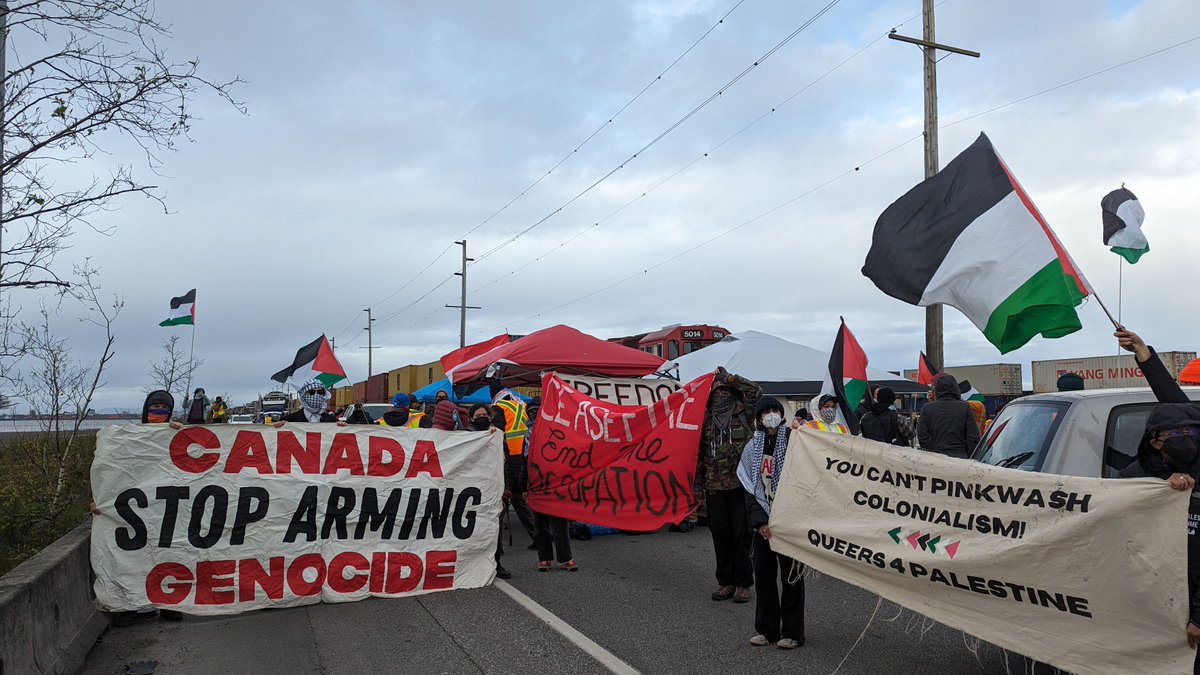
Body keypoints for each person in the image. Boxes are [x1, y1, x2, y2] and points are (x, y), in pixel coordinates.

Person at [1116, 327, 1200, 666]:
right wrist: (1141, 351)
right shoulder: (1138, 474)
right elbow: (1171, 400)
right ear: (1152, 440)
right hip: (1158, 594)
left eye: (1188, 433)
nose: (1183, 437)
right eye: (1173, 434)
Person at [738, 397, 805, 650]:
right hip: (763, 523)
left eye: (774, 410)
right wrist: (760, 522)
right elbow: (748, 488)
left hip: (789, 520)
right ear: (758, 418)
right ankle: (766, 630)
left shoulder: (794, 441)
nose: (771, 415)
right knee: (764, 577)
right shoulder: (751, 448)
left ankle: (792, 632)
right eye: (765, 412)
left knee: (791, 578)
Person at [699, 367, 761, 603]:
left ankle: (743, 583)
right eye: (717, 393)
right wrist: (697, 486)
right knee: (720, 535)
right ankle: (725, 582)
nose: (721, 396)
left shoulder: (743, 411)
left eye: (726, 392)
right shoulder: (705, 419)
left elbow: (756, 390)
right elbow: (699, 453)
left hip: (741, 486)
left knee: (742, 535)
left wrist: (731, 378)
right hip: (714, 486)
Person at [468, 403, 512, 580]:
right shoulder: (465, 437)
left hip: (495, 489)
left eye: (484, 414)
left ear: (490, 417)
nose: (481, 417)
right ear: (471, 418)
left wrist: (508, 487)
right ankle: (472, 564)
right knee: (475, 528)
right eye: (477, 415)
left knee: (495, 528)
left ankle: (496, 562)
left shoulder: (498, 437)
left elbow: (506, 463)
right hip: (473, 489)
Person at [916, 374, 979, 459]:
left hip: (937, 456)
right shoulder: (965, 407)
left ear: (937, 390)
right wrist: (971, 456)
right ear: (956, 388)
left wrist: (929, 451)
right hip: (961, 456)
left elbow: (922, 435)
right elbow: (973, 436)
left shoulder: (927, 408)